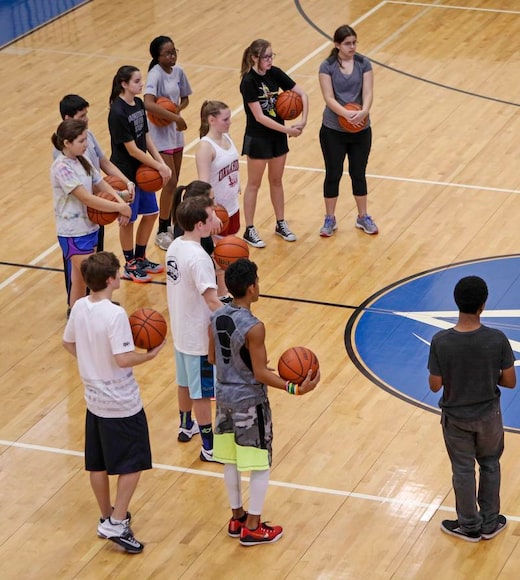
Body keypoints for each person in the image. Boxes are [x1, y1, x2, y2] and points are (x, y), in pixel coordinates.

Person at [208, 258, 320, 545]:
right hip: (249, 401)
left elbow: (212, 358)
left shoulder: (216, 316)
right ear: (250, 287)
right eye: (257, 281)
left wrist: (239, 363)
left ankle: (238, 517)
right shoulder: (254, 327)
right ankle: (254, 527)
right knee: (260, 462)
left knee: (231, 460)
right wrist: (295, 388)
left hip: (223, 397)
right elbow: (259, 373)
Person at [62, 251, 165, 554]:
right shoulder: (115, 314)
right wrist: (149, 355)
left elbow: (67, 342)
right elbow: (122, 358)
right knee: (133, 464)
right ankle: (118, 522)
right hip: (121, 402)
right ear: (110, 279)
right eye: (117, 272)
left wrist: (91, 362)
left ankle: (106, 515)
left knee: (98, 463)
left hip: (93, 399)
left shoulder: (80, 306)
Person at [428, 275, 515, 542]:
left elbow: (434, 386)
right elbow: (509, 381)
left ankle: (468, 526)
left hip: (456, 419)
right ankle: (490, 523)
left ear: (456, 302)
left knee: (463, 469)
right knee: (490, 464)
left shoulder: (441, 341)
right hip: (489, 417)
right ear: (483, 305)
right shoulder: (497, 339)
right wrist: (488, 376)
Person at [51, 119, 133, 314]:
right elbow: (86, 198)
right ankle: (88, 317)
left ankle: (78, 317)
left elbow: (102, 185)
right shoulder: (61, 167)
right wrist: (120, 207)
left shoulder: (82, 160)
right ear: (66, 143)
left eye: (86, 139)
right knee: (93, 277)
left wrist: (122, 205)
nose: (86, 144)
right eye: (81, 141)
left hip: (90, 227)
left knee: (80, 280)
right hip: (73, 232)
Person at [165, 196, 223, 461]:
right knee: (202, 393)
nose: (214, 220)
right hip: (198, 335)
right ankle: (209, 447)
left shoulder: (175, 245)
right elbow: (211, 300)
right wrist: (234, 317)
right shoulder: (199, 258)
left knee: (184, 383)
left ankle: (185, 425)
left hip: (180, 328)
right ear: (200, 224)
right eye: (211, 217)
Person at [238, 38, 309, 247]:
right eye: (266, 57)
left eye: (271, 56)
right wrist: (288, 129)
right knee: (254, 184)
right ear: (254, 58)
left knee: (276, 181)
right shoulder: (248, 82)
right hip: (258, 137)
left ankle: (280, 223)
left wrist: (303, 120)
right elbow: (260, 117)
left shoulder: (275, 73)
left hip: (277, 137)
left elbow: (302, 93)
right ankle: (249, 229)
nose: (270, 60)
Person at [108, 65, 172, 283]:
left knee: (152, 212)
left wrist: (160, 163)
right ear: (124, 84)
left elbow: (146, 137)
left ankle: (141, 257)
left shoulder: (138, 103)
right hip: (126, 174)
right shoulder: (117, 112)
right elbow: (132, 149)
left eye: (140, 80)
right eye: (136, 81)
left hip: (143, 170)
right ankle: (129, 264)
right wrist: (158, 165)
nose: (141, 83)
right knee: (128, 219)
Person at [318, 24, 378, 237]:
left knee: (358, 173)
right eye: (347, 43)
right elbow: (328, 97)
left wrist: (364, 111)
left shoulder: (364, 63)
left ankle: (363, 217)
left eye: (354, 42)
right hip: (333, 129)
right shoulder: (327, 66)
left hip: (361, 128)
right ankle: (329, 219)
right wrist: (345, 113)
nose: (352, 46)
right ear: (337, 45)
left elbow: (368, 92)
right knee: (333, 174)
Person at [145, 35, 192, 251]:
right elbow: (148, 104)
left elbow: (185, 98)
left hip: (174, 133)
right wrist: (174, 117)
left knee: (175, 181)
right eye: (167, 53)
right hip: (159, 135)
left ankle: (169, 225)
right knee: (170, 183)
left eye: (174, 52)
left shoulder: (179, 71)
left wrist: (176, 111)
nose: (172, 56)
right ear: (157, 56)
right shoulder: (154, 74)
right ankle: (162, 230)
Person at [195, 100, 241, 237]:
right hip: (218, 210)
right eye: (225, 119)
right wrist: (212, 213)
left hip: (233, 205)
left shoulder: (227, 137)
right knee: (221, 254)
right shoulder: (205, 147)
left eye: (229, 118)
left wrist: (238, 183)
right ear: (212, 120)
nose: (229, 122)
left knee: (232, 248)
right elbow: (204, 186)